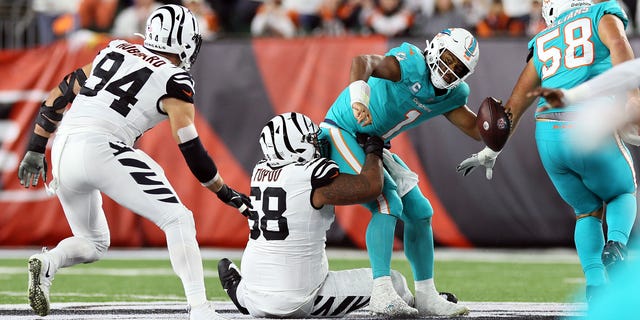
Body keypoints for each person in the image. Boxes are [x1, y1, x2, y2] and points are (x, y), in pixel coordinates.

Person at [17, 5, 252, 319]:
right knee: (178, 219)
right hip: (103, 147)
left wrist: (35, 149)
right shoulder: (175, 80)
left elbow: (59, 94)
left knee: (94, 243)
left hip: (63, 149)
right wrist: (224, 192)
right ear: (187, 43)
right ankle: (200, 309)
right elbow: (193, 152)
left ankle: (48, 264)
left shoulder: (115, 50)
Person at [458, 0, 636, 304]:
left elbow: (513, 106)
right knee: (623, 192)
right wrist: (634, 95)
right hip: (587, 124)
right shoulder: (600, 12)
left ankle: (594, 285)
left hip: (548, 135)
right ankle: (616, 245)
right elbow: (619, 43)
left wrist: (492, 149)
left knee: (586, 212)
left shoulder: (542, 41)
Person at [320, 27, 480, 317]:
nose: (449, 69)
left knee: (420, 211)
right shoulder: (410, 63)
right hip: (342, 129)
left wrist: (505, 121)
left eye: (458, 67)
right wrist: (358, 98)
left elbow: (477, 129)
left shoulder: (452, 94)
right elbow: (362, 62)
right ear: (434, 48)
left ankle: (427, 294)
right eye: (448, 58)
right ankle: (380, 291)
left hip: (373, 143)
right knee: (387, 202)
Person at [217, 112, 415, 318]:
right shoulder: (310, 178)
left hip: (255, 293)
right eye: (310, 139)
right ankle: (416, 300)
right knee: (394, 281)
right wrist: (373, 151)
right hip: (299, 300)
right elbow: (370, 186)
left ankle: (240, 294)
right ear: (294, 145)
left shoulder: (260, 171)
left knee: (262, 289)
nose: (318, 143)